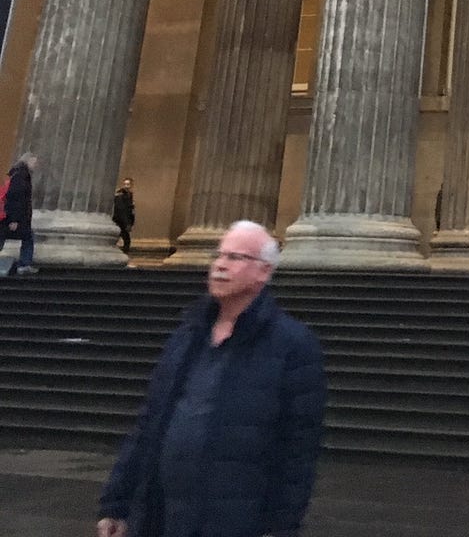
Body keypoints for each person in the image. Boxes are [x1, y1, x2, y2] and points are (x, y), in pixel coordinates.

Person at [96, 220, 326, 537]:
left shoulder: (293, 346)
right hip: (162, 516)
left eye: (235, 257)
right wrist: (117, 504)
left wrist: (281, 527)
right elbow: (150, 424)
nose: (220, 265)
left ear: (263, 271)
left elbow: (298, 450)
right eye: (218, 255)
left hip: (235, 520)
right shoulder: (188, 335)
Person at [1, 152, 37, 276]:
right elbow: (15, 198)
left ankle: (24, 264)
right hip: (13, 217)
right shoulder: (21, 176)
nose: (35, 165)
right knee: (28, 237)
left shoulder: (17, 174)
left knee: (26, 236)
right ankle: (24, 264)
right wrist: (14, 219)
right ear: (27, 161)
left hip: (10, 216)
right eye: (34, 162)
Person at [112, 177, 135, 255]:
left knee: (124, 239)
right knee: (126, 239)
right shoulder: (120, 195)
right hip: (120, 221)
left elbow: (130, 210)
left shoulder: (129, 195)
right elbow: (122, 210)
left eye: (128, 184)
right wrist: (127, 223)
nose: (126, 186)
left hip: (124, 220)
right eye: (125, 184)